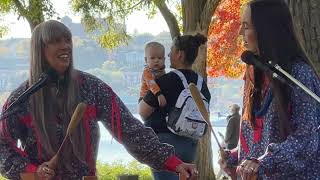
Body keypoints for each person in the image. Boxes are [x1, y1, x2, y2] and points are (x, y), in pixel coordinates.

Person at [0, 20, 199, 180]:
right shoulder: (21, 99)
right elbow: (2, 146)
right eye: (56, 41)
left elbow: (130, 131)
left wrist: (174, 163)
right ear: (39, 50)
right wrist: (32, 171)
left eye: (67, 40)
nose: (66, 46)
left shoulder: (92, 88)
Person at [219, 0, 320, 179]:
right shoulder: (254, 73)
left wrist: (264, 162)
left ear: (266, 30)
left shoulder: (299, 74)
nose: (240, 32)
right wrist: (235, 157)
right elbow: (256, 138)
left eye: (246, 26)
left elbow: (307, 139)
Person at [139, 33, 211, 180]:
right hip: (191, 143)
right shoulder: (201, 83)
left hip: (165, 144)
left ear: (179, 54)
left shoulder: (165, 81)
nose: (168, 54)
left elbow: (143, 112)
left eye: (171, 50)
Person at [139, 41, 167, 107]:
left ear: (164, 59)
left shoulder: (162, 71)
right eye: (152, 58)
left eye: (160, 58)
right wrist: (159, 94)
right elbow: (151, 84)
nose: (156, 60)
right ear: (146, 60)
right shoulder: (147, 71)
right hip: (145, 98)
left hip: (158, 97)